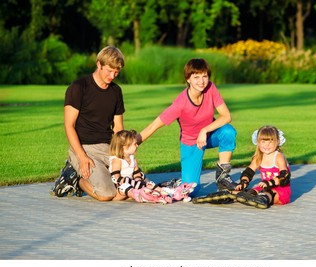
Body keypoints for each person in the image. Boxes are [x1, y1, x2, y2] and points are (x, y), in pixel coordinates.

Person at [137, 58, 237, 196]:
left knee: (228, 132)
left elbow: (226, 116)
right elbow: (153, 126)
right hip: (191, 142)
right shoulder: (180, 104)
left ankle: (223, 178)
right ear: (188, 79)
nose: (201, 81)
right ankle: (177, 183)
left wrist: (204, 130)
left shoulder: (210, 88)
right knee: (191, 191)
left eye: (204, 76)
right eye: (196, 77)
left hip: (209, 136)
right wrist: (129, 145)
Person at [51, 46, 126, 201]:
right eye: (109, 70)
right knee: (107, 194)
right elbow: (69, 125)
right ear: (98, 64)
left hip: (108, 148)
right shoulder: (79, 87)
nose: (112, 76)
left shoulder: (116, 91)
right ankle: (75, 178)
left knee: (130, 187)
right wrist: (81, 156)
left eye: (116, 72)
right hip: (84, 148)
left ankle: (103, 175)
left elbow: (118, 127)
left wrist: (123, 153)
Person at [193, 125, 291, 209]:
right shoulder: (259, 157)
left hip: (280, 190)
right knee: (249, 191)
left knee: (268, 193)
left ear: (277, 142)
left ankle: (262, 199)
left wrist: (269, 182)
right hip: (263, 188)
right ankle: (228, 195)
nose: (267, 145)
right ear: (258, 142)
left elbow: (285, 176)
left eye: (270, 142)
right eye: (263, 142)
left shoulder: (278, 156)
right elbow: (249, 171)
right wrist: (243, 183)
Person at [109, 129, 196, 203]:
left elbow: (137, 173)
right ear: (124, 147)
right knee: (126, 186)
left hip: (134, 183)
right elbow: (117, 178)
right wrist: (138, 184)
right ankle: (144, 195)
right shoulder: (117, 160)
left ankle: (170, 191)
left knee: (145, 180)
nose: (137, 145)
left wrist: (139, 181)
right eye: (134, 144)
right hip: (121, 186)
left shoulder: (132, 159)